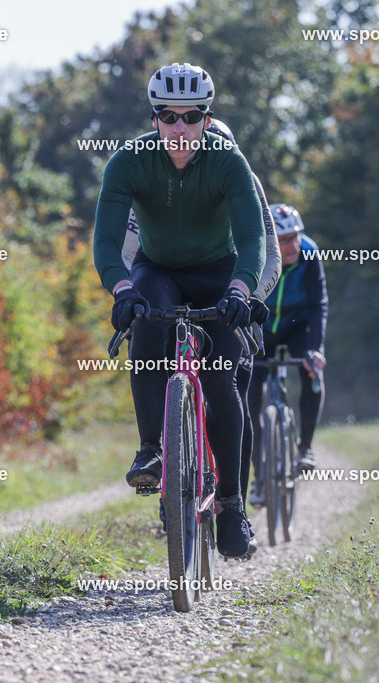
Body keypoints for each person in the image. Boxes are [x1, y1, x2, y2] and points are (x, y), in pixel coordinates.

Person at [93, 62, 266, 558]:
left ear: (207, 119)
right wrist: (122, 289)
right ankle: (152, 450)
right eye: (168, 117)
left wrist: (240, 289)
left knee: (219, 380)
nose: (180, 128)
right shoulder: (128, 162)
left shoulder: (228, 161)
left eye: (191, 116)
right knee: (147, 319)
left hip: (218, 272)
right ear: (154, 120)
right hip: (158, 269)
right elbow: (106, 241)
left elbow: (254, 239)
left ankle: (231, 506)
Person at [120, 118, 281, 508]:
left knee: (228, 387)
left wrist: (251, 296)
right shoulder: (157, 179)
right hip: (167, 279)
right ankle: (160, 453)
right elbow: (128, 250)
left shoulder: (245, 182)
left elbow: (269, 252)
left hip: (228, 286)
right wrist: (129, 296)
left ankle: (231, 503)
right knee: (150, 342)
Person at [247, 204, 328, 507]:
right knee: (247, 397)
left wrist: (316, 349)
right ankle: (257, 474)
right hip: (262, 327)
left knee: (312, 370)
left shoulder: (309, 253)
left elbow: (319, 303)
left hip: (298, 325)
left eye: (295, 237)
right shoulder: (256, 255)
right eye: (283, 240)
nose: (292, 245)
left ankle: (305, 447)